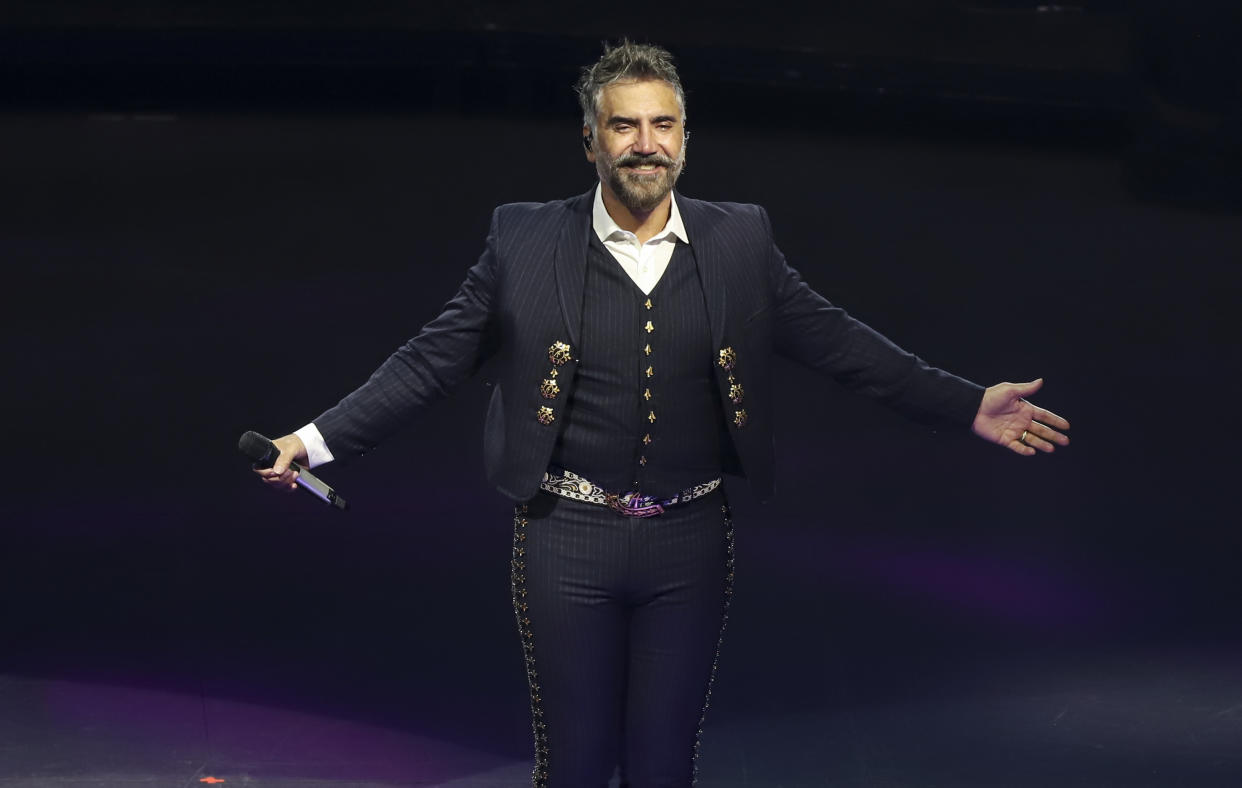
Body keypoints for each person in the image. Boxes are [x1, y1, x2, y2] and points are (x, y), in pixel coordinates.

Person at [254, 41, 1070, 788]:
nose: (646, 143)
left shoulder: (739, 240)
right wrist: (312, 442)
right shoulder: (525, 241)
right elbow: (429, 361)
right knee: (573, 767)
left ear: (685, 138)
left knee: (662, 767)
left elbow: (840, 343)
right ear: (590, 141)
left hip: (689, 539)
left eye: (662, 125)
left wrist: (966, 403)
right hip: (565, 536)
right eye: (624, 126)